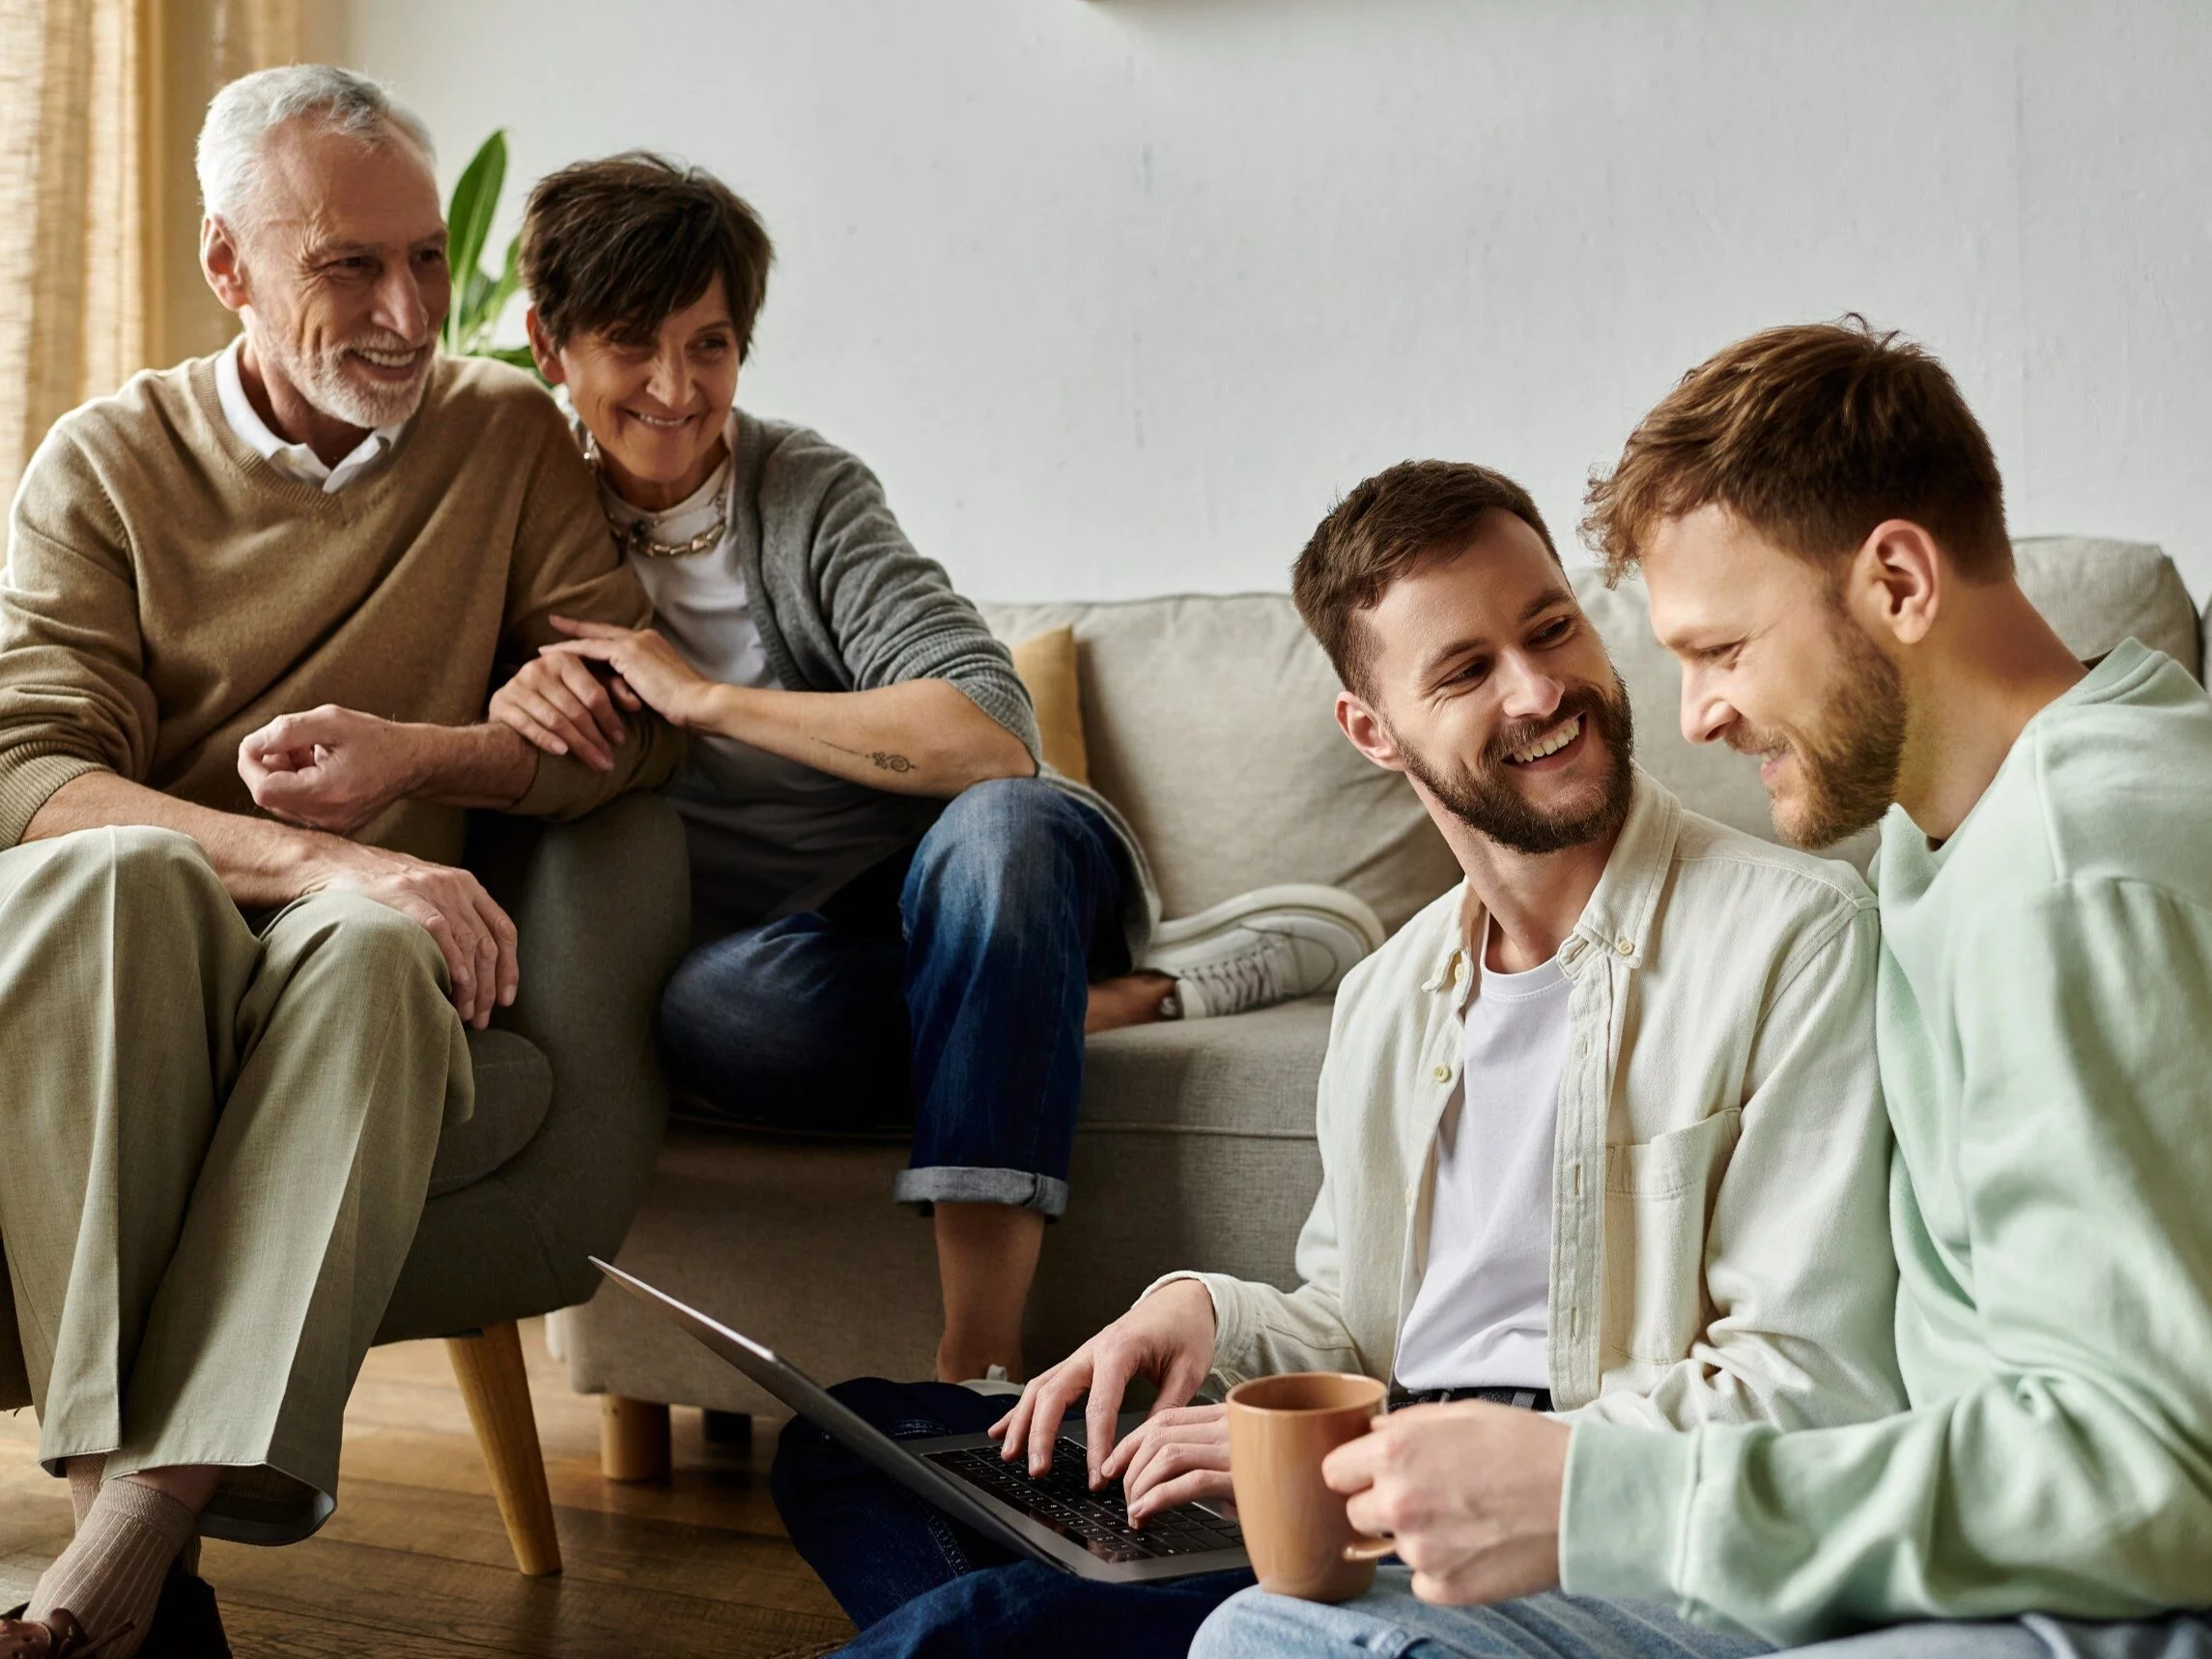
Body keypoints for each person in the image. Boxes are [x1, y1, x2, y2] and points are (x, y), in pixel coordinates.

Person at [763, 459, 1907, 1658]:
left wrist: (1355, 1457)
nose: (1538, 690)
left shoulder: (1794, 935)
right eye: (1464, 671)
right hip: (1359, 1480)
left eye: (1550, 627)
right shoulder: (1389, 996)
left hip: (1525, 1514)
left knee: (975, 1626)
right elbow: (1353, 1329)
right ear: (1373, 730)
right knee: (857, 1443)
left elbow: (1805, 1389)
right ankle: (1120, 1602)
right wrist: (1202, 1310)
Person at [1192, 322, 2212, 1659]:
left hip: (2074, 1609)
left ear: (1897, 581)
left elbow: (2149, 1476)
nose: (1693, 719)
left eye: (1722, 648)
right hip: (1944, 1565)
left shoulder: (2072, 873)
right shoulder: (1953, 834)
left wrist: (1597, 1491)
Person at [486, 154, 1378, 1383]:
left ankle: (976, 1364)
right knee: (705, 1015)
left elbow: (987, 736)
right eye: (633, 343)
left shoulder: (805, 493)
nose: (675, 386)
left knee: (1002, 827)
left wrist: (709, 701)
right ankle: (1099, 1000)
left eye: (711, 344)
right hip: (790, 959)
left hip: (965, 874)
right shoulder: (521, 517)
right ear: (549, 345)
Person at [0, 67, 678, 1657]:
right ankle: (134, 1536)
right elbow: (25, 770)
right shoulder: (103, 463)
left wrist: (431, 760)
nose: (407, 310)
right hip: (144, 932)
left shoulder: (506, 439)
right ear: (229, 268)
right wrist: (321, 864)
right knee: (136, 884)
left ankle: (127, 1548)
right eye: (346, 267)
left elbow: (644, 725)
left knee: (389, 957)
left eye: (428, 259)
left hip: (343, 964)